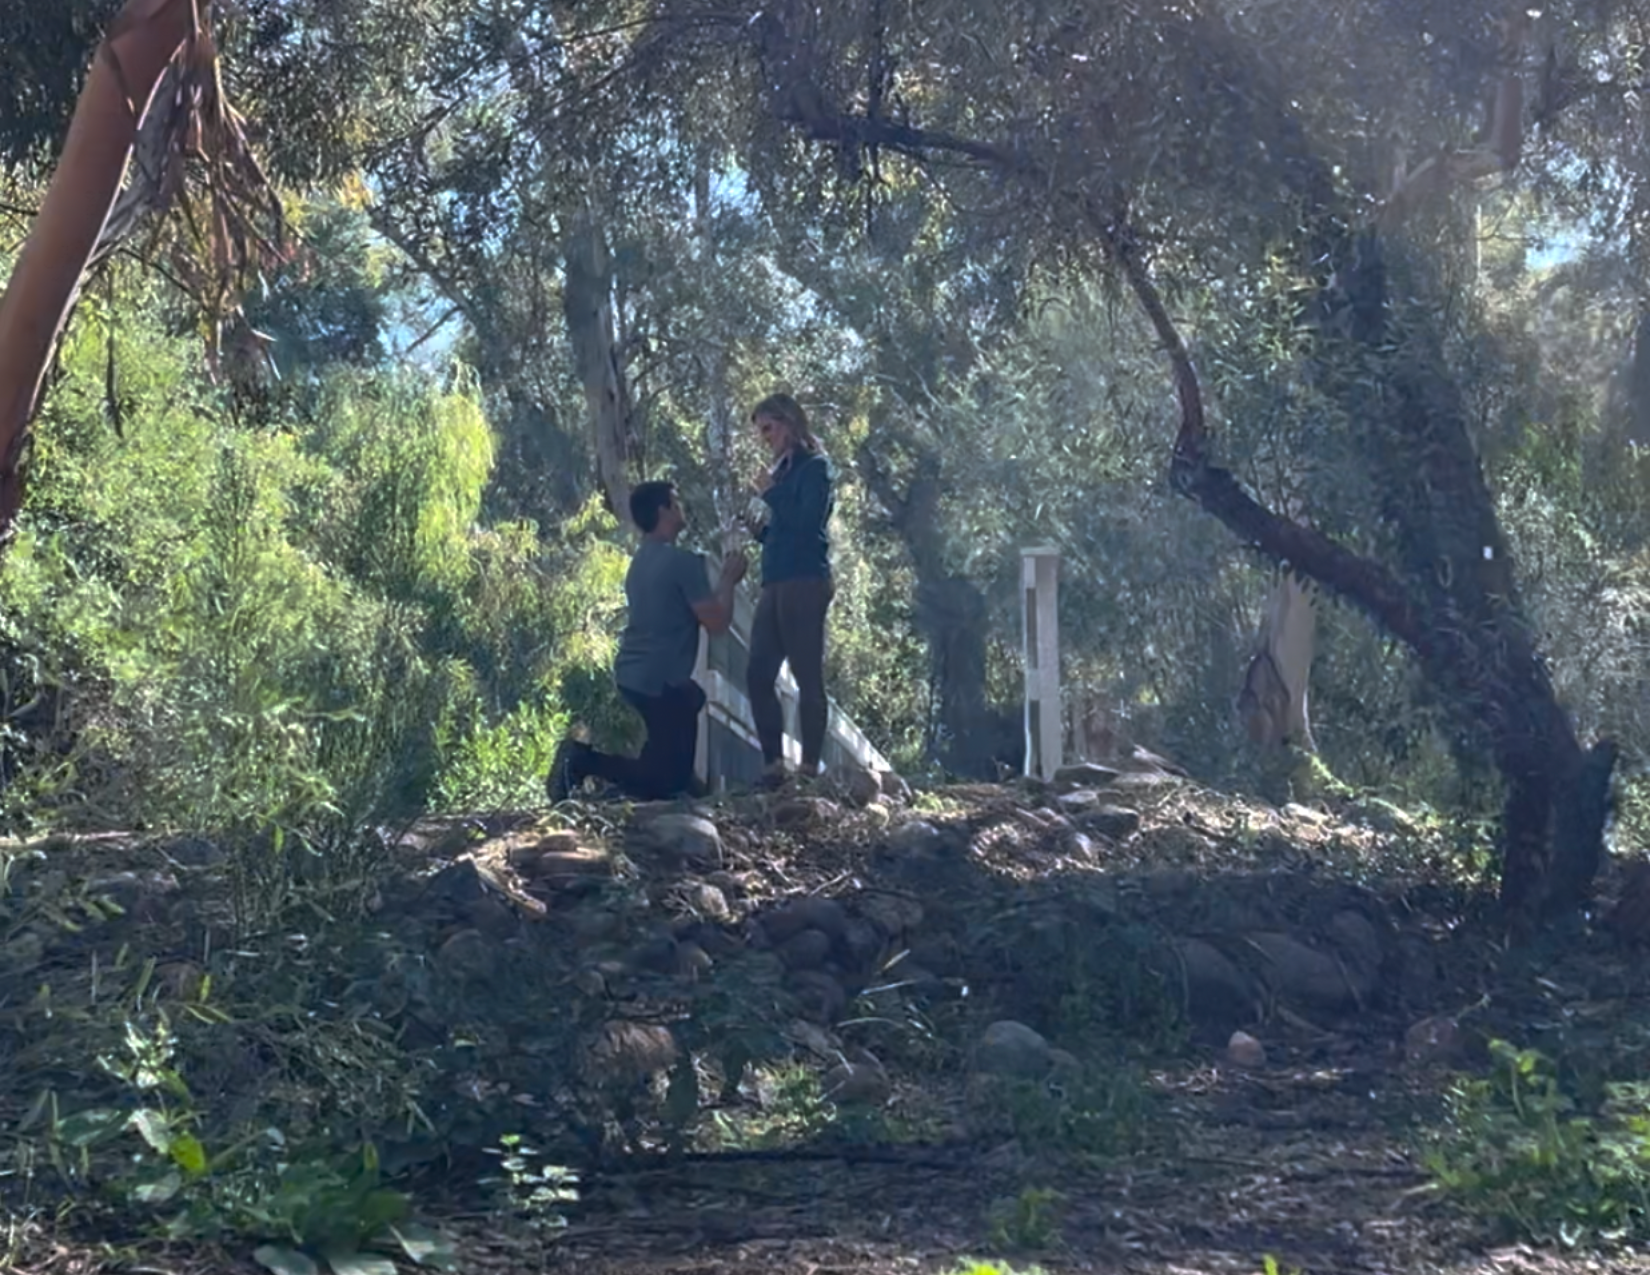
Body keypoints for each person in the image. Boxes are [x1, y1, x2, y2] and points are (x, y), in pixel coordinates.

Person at [548, 480, 746, 803]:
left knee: (687, 708)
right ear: (663, 511)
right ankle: (581, 761)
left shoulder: (639, 563)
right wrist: (728, 579)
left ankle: (650, 782)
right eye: (676, 502)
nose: (682, 508)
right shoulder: (683, 563)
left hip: (634, 675)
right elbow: (717, 622)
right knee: (665, 782)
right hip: (660, 683)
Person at [742, 392, 834, 786]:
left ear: (790, 423)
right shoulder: (781, 473)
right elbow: (786, 530)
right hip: (776, 580)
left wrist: (771, 494)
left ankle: (810, 767)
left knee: (806, 673)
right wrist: (760, 532)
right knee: (758, 673)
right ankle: (773, 766)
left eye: (769, 428)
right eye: (761, 431)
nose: (765, 437)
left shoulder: (816, 468)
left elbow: (808, 521)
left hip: (805, 581)